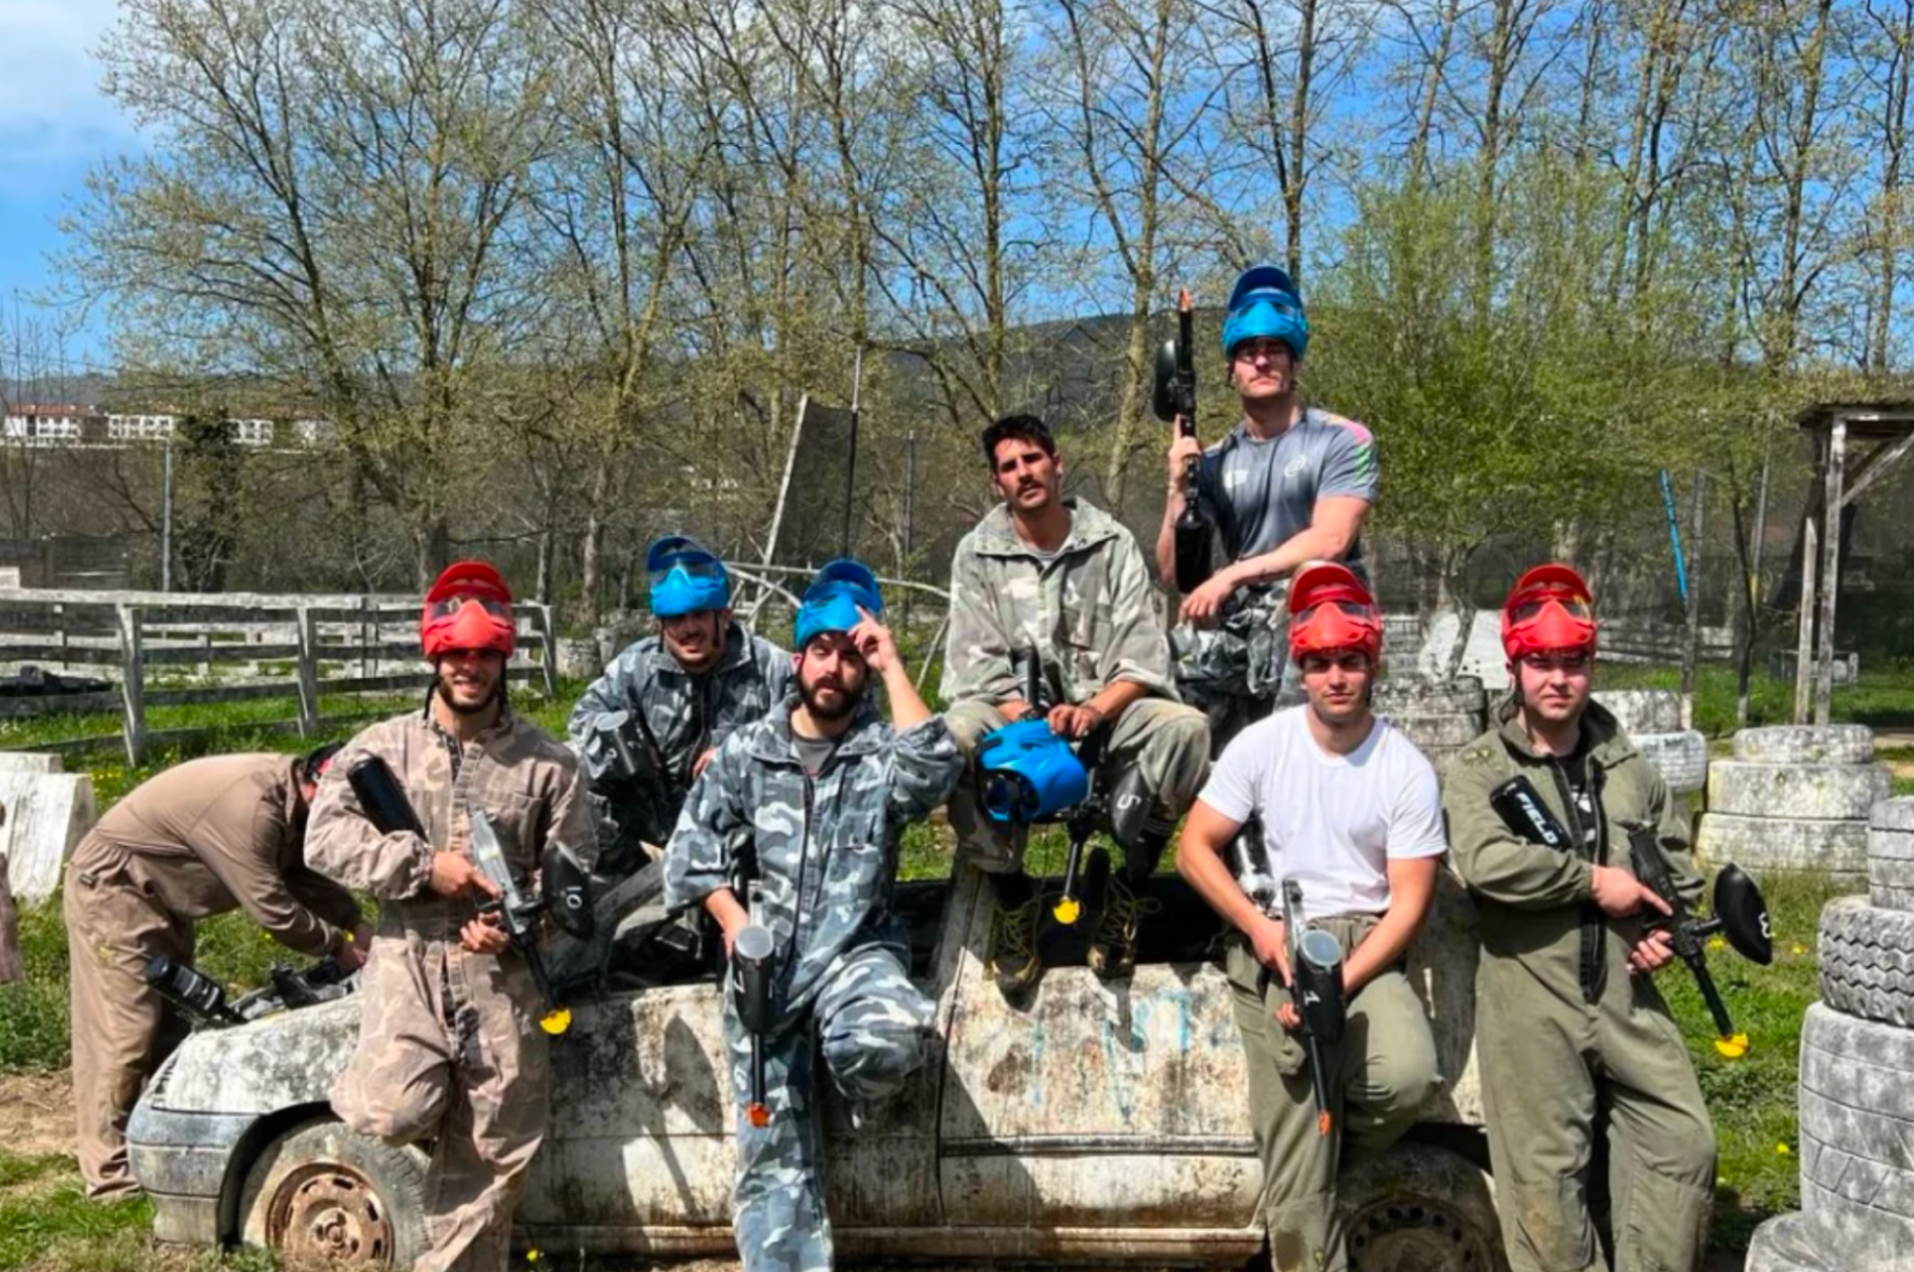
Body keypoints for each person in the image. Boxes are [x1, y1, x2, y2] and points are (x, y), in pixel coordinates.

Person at [664, 559, 961, 1272]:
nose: (834, 669)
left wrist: (891, 663)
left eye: (850, 656)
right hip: (765, 976)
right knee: (771, 1158)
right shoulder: (746, 753)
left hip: (856, 958)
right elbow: (689, 854)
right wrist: (736, 924)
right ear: (798, 658)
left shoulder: (878, 755)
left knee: (888, 1036)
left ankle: (853, 1082)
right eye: (820, 651)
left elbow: (935, 769)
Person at [306, 560, 595, 1272]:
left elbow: (574, 876)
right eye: (457, 653)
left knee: (497, 1147)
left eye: (484, 654)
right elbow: (325, 839)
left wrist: (519, 923)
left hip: (503, 979)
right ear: (434, 654)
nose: (470, 668)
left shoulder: (549, 765)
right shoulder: (380, 749)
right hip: (406, 957)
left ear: (504, 658)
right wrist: (419, 867)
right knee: (394, 1108)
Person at [1443, 563, 1714, 1272]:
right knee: (1546, 1181)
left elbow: (1676, 863)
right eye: (1541, 662)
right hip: (1532, 997)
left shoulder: (1630, 767)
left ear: (1591, 663)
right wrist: (1592, 882)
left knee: (1682, 1143)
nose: (1558, 678)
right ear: (1515, 666)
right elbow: (1484, 862)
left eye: (1573, 661)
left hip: (1627, 994)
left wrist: (1661, 927)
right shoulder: (1479, 768)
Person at [1174, 561, 1443, 1271]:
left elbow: (1410, 901)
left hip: (1365, 938)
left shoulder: (1405, 767)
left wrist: (1344, 981)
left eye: (1350, 660)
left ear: (1372, 662)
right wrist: (1260, 933)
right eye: (1320, 663)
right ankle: (1302, 1225)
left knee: (1408, 1076)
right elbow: (1195, 850)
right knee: (1298, 1116)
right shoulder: (1263, 746)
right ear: (1301, 666)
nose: (1336, 678)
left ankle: (1315, 1174)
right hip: (1278, 936)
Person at [942, 412, 1209, 994]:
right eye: (1009, 467)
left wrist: (1093, 713)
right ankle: (1014, 900)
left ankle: (1128, 892)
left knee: (1186, 730)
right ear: (998, 483)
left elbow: (1142, 656)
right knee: (954, 737)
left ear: (1057, 464)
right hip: (1018, 721)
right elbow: (974, 664)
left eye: (1033, 459)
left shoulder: (1111, 545)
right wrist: (1028, 721)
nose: (1023, 473)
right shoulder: (976, 554)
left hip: (1103, 716)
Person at [64, 745, 368, 1199]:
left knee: (170, 1028)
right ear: (315, 787)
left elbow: (301, 875)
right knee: (124, 1033)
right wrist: (339, 947)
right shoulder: (253, 809)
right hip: (115, 889)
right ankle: (110, 1175)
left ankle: (154, 1148)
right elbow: (271, 907)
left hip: (159, 897)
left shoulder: (291, 804)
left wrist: (355, 922)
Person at [1158, 264, 1378, 749]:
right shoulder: (1213, 460)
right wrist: (1177, 487)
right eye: (1249, 351)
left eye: (1274, 348)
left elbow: (1332, 539)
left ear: (1295, 361)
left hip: (1321, 624)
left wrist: (1234, 574)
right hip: (1243, 625)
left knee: (1306, 581)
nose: (1261, 361)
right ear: (1231, 368)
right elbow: (1176, 573)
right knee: (1174, 647)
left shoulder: (1344, 439)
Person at [568, 535, 791, 879]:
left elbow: (814, 734)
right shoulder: (636, 666)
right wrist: (627, 742)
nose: (689, 629)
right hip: (651, 832)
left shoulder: (771, 667)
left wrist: (742, 755)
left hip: (746, 836)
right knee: (569, 768)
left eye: (699, 615)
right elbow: (582, 721)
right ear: (660, 625)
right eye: (675, 618)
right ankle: (621, 884)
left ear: (725, 616)